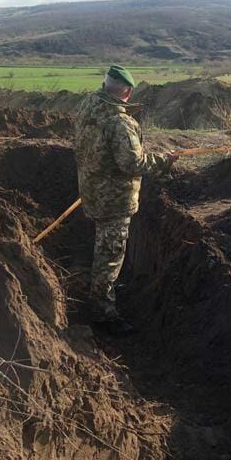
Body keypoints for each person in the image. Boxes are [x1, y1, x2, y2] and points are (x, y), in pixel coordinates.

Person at [74, 65, 179, 335]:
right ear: (128, 92)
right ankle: (103, 311)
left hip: (92, 190)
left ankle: (99, 288)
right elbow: (131, 162)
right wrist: (163, 162)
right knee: (110, 254)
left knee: (102, 246)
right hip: (114, 199)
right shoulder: (119, 122)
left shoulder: (89, 106)